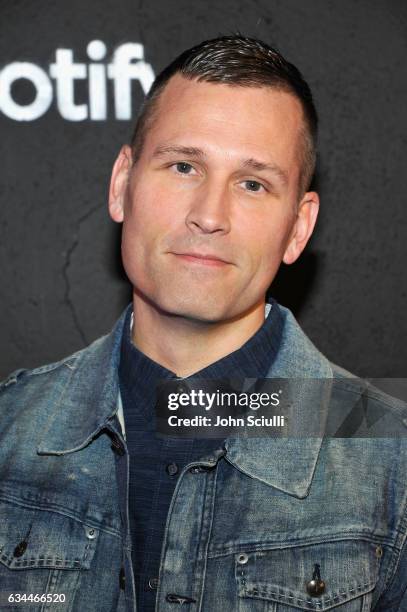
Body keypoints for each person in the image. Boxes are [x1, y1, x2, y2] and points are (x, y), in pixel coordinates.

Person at [0, 35, 406, 612]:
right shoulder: (9, 432)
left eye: (252, 184)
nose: (210, 215)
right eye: (184, 165)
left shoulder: (393, 468)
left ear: (298, 227)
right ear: (122, 184)